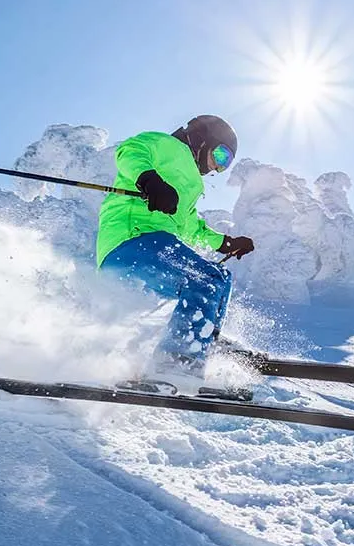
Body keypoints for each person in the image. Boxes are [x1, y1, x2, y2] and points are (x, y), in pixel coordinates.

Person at [96, 114, 256, 384]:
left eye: (225, 163)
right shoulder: (164, 144)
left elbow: (191, 227)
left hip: (154, 248)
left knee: (220, 278)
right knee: (205, 280)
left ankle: (203, 338)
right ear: (203, 139)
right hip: (131, 239)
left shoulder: (192, 184)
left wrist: (227, 243)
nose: (217, 167)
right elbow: (129, 151)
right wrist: (149, 180)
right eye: (220, 154)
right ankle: (174, 362)